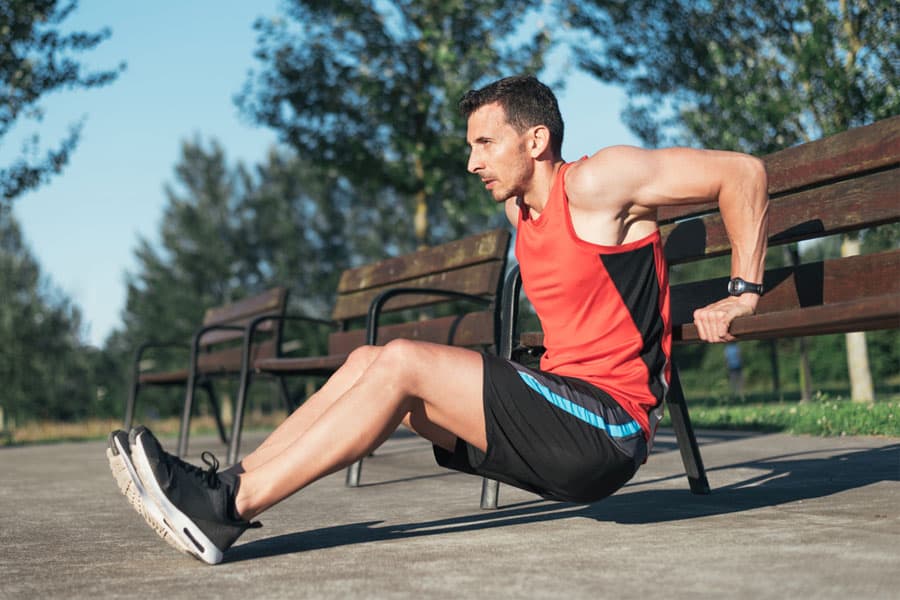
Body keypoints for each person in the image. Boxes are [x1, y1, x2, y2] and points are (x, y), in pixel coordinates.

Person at [107, 75, 769, 565]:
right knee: (369, 362)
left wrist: (743, 292)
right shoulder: (520, 215)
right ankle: (223, 486)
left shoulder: (599, 183)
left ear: (535, 139)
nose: (472, 161)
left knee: (400, 359)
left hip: (609, 428)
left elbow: (742, 173)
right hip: (560, 417)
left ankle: (227, 510)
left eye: (486, 143)